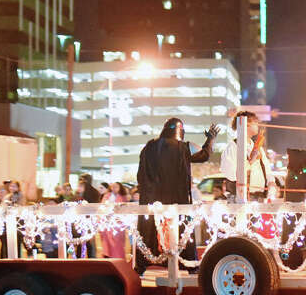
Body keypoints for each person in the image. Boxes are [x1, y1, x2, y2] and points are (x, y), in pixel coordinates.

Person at [134, 117, 218, 273]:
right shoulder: (183, 147)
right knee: (182, 230)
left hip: (152, 200)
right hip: (177, 199)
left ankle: (142, 264)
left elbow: (140, 175)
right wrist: (210, 140)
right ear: (180, 131)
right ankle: (188, 263)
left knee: (148, 231)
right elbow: (204, 155)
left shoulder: (148, 147)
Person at [220, 111, 271, 199]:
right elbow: (231, 174)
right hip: (241, 198)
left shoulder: (258, 147)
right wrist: (250, 162)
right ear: (245, 124)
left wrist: (271, 182)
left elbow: (267, 169)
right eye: (255, 122)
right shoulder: (233, 147)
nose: (257, 125)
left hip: (260, 195)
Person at [101, 182, 130, 260]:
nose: (114, 188)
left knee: (118, 242)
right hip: (108, 222)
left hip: (118, 223)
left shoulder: (123, 197)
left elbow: (124, 209)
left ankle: (118, 257)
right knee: (107, 242)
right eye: (113, 187)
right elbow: (102, 206)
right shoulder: (107, 196)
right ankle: (107, 255)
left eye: (116, 187)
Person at [0, 180, 25, 259]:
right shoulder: (7, 196)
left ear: (18, 187)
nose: (12, 188)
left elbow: (20, 206)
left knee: (16, 244)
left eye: (14, 186)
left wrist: (11, 205)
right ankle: (6, 260)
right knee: (6, 244)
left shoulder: (21, 195)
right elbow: (2, 207)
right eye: (11, 186)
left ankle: (17, 260)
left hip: (18, 223)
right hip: (7, 223)